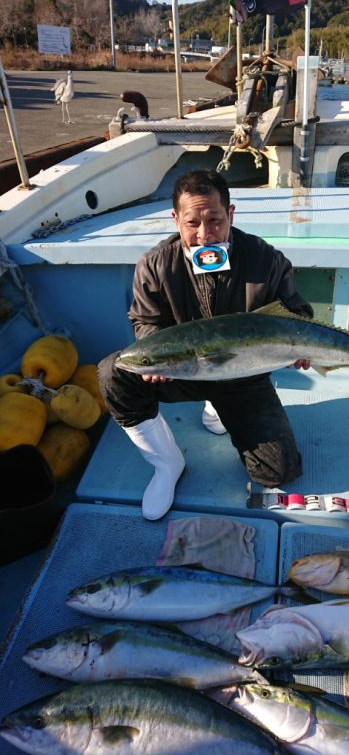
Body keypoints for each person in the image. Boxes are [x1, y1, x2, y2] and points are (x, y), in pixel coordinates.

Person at [97, 169, 313, 521]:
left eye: (214, 220)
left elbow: (296, 312)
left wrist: (300, 347)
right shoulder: (155, 265)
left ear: (231, 214)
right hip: (183, 369)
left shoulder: (265, 259)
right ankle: (167, 464)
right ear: (175, 219)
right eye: (192, 222)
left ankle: (219, 406)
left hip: (242, 376)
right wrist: (156, 354)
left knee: (277, 472)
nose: (204, 234)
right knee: (114, 372)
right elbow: (145, 320)